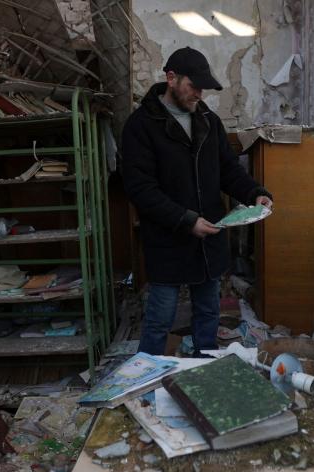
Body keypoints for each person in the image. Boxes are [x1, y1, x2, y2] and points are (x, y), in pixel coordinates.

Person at [121, 47, 273, 356]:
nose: (199, 95)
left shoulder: (208, 120)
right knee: (159, 321)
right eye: (194, 87)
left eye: (203, 89)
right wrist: (185, 220)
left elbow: (228, 170)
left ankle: (204, 367)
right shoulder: (141, 126)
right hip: (168, 242)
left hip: (210, 240)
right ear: (171, 78)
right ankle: (145, 382)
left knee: (208, 315)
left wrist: (254, 192)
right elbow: (141, 189)